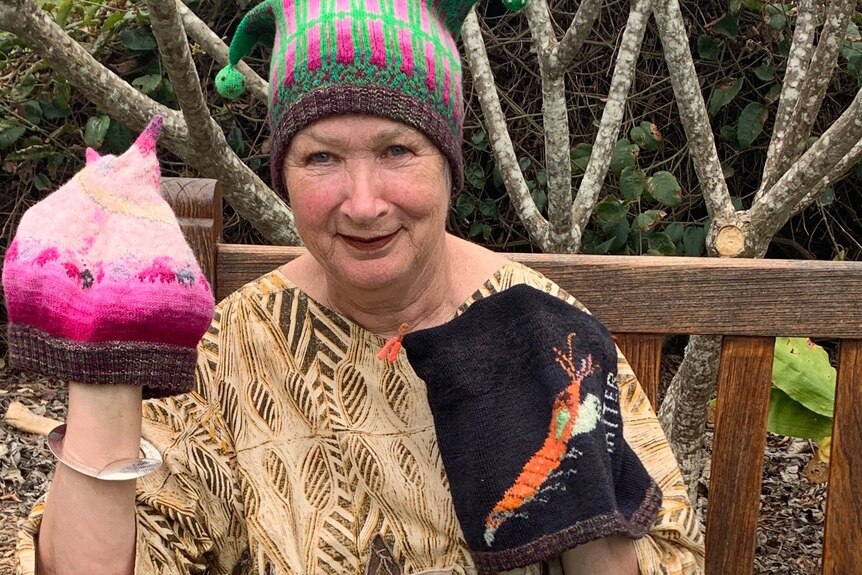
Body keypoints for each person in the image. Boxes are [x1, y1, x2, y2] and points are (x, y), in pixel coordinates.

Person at [12, 0, 705, 573]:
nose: (364, 201)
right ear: (283, 172)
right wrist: (103, 370)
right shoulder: (231, 353)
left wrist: (580, 501)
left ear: (449, 163)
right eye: (322, 157)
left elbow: (669, 552)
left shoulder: (545, 333)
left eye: (397, 150)